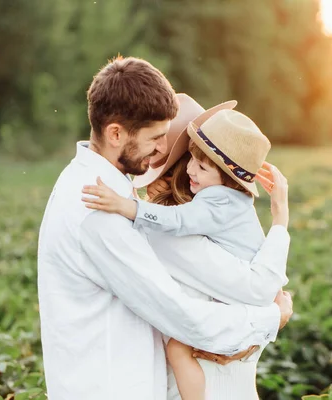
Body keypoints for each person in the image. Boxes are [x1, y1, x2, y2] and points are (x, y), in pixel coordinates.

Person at [37, 56, 293, 400]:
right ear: (116, 133)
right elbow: (182, 314)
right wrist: (271, 318)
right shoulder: (96, 209)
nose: (161, 151)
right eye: (157, 138)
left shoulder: (96, 190)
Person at [82, 105, 289, 399]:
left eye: (158, 167)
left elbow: (261, 290)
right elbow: (269, 292)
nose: (146, 183)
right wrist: (276, 315)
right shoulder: (235, 225)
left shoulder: (175, 237)